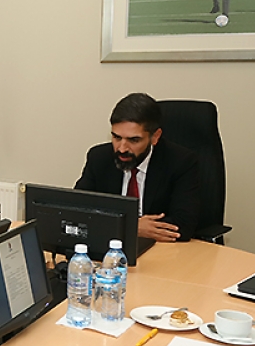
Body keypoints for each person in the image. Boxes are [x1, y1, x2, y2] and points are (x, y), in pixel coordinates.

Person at [75, 93, 200, 242]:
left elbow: (184, 224)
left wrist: (112, 225)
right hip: (112, 246)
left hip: (161, 248)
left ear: (155, 137)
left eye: (134, 140)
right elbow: (76, 211)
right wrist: (131, 227)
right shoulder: (99, 158)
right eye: (117, 137)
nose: (122, 149)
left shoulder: (181, 162)